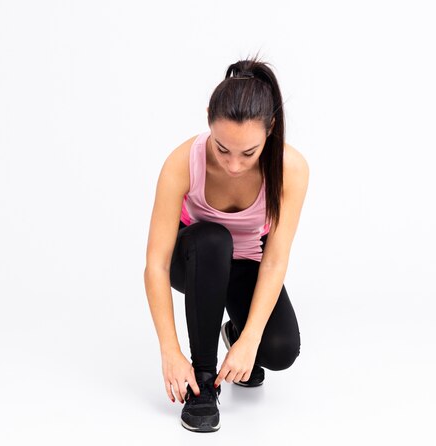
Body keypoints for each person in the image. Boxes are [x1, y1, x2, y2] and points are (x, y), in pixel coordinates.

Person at [143, 55, 309, 433]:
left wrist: (249, 338)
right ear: (208, 119)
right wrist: (169, 350)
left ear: (270, 129)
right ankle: (203, 382)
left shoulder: (291, 169)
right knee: (214, 238)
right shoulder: (182, 161)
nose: (234, 165)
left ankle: (232, 332)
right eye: (222, 149)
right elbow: (155, 263)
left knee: (280, 351)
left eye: (248, 153)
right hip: (194, 260)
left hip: (246, 264)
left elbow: (274, 259)